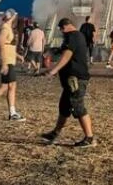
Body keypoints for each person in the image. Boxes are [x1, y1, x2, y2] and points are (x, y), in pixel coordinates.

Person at [41, 17, 95, 148]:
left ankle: (90, 138)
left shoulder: (72, 36)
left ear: (64, 27)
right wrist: (52, 51)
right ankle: (55, 133)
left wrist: (54, 70)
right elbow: (64, 50)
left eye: (61, 30)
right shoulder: (77, 36)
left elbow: (67, 55)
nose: (62, 33)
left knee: (78, 106)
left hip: (75, 78)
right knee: (64, 107)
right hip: (71, 79)